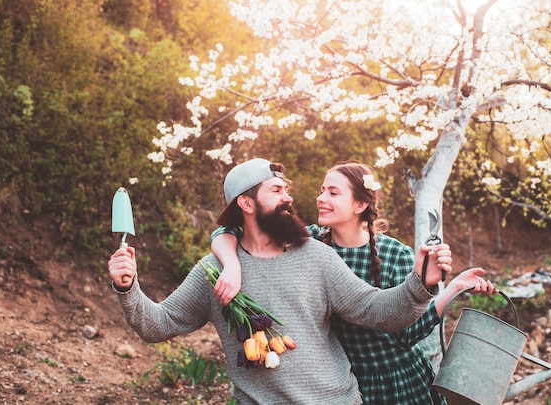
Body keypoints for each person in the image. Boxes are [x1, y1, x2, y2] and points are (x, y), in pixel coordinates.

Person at [107, 158, 453, 404]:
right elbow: (159, 325)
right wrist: (128, 287)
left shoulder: (315, 254)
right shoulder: (212, 272)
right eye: (276, 190)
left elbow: (376, 310)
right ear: (247, 202)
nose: (289, 197)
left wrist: (420, 283)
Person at [211, 161, 497, 404]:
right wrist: (232, 264)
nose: (321, 198)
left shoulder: (394, 254)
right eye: (322, 190)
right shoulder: (307, 243)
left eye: (333, 192)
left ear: (360, 204)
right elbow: (235, 227)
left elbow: (406, 335)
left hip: (398, 380)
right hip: (344, 382)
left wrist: (453, 287)